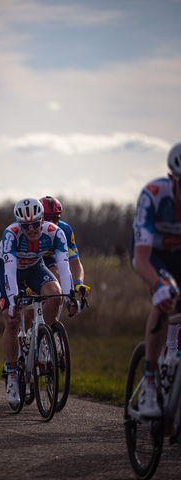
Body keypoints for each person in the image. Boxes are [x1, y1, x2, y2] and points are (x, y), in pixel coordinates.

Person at [0, 197, 80, 405]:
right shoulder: (11, 234)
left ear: (42, 220)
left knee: (55, 294)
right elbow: (8, 271)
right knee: (11, 319)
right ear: (19, 224)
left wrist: (70, 296)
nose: (32, 229)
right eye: (26, 226)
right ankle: (13, 376)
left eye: (35, 224)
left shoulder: (55, 232)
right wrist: (13, 299)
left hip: (35, 267)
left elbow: (64, 266)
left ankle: (43, 339)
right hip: (13, 270)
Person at [130, 143, 181, 417]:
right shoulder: (154, 195)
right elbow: (141, 259)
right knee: (166, 299)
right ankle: (149, 382)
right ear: (172, 178)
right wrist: (157, 285)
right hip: (153, 256)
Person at [39, 196, 89, 317]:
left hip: (49, 259)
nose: (51, 223)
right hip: (29, 261)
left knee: (58, 279)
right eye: (47, 218)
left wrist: (79, 283)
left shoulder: (65, 230)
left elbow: (75, 263)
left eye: (55, 218)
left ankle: (52, 323)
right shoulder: (32, 229)